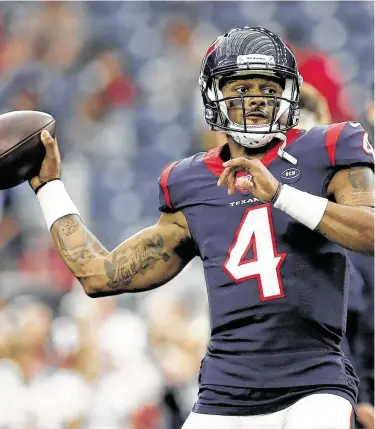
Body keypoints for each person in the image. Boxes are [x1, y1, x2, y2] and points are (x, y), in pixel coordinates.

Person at [29, 27, 374, 429]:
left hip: (314, 384)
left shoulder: (329, 147)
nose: (256, 98)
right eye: (241, 86)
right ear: (214, 95)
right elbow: (99, 274)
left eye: (267, 85)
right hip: (224, 393)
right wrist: (49, 187)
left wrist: (280, 194)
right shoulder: (189, 181)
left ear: (289, 92)